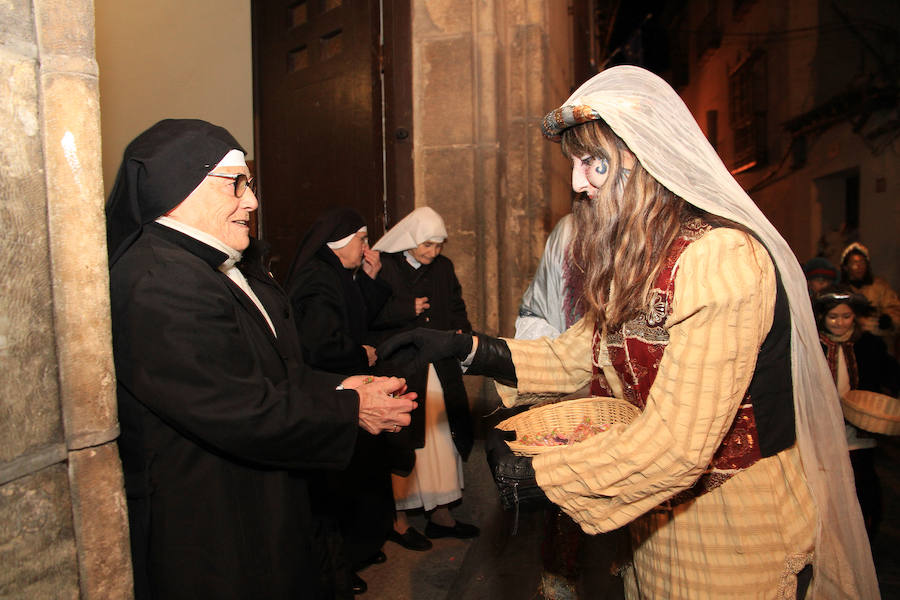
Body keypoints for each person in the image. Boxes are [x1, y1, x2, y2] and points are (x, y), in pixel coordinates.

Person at [379, 67, 877, 598]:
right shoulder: (644, 256)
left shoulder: (721, 257)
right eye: (574, 164)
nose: (575, 184)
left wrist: (537, 480)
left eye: (592, 163)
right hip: (652, 519)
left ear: (648, 163)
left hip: (734, 526)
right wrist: (469, 349)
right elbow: (580, 355)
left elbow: (680, 444)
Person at [105, 119, 416, 600]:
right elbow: (237, 407)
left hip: (252, 499)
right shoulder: (160, 279)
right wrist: (353, 409)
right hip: (211, 522)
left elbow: (272, 373)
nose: (251, 201)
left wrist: (340, 389)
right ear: (178, 187)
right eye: (236, 184)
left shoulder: (200, 266)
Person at [284, 207, 396, 595]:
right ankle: (341, 564)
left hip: (347, 389)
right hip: (333, 393)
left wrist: (369, 278)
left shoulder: (335, 273)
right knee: (339, 489)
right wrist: (359, 354)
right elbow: (320, 346)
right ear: (343, 241)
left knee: (360, 480)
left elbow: (356, 315)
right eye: (362, 239)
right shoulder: (318, 279)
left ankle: (360, 549)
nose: (366, 247)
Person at [370, 207, 479, 549]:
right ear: (411, 240)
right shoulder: (384, 267)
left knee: (442, 440)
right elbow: (369, 314)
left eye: (438, 246)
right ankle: (399, 519)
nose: (433, 253)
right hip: (402, 369)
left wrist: (464, 335)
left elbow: (456, 305)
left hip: (439, 368)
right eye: (427, 245)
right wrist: (407, 309)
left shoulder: (443, 268)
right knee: (404, 442)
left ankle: (441, 514)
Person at [814, 284, 900, 540]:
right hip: (824, 428)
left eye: (846, 316)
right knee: (827, 482)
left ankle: (866, 531)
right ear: (823, 318)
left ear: (855, 316)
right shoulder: (815, 345)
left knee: (862, 480)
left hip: (858, 427)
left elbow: (889, 372)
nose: (840, 323)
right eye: (833, 317)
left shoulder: (868, 345)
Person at [840, 241, 900, 354]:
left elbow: (895, 308)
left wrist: (889, 319)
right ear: (846, 267)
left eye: (862, 262)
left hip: (879, 344)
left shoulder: (880, 286)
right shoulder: (841, 290)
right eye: (854, 263)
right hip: (849, 346)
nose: (859, 267)